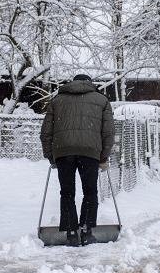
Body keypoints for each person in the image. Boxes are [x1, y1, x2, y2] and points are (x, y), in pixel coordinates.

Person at [40, 74, 115, 246]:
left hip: (63, 151)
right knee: (90, 191)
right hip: (90, 152)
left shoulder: (57, 100)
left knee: (67, 193)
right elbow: (108, 132)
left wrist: (51, 156)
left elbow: (46, 132)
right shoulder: (101, 100)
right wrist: (103, 156)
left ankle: (71, 233)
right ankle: (87, 232)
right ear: (90, 83)